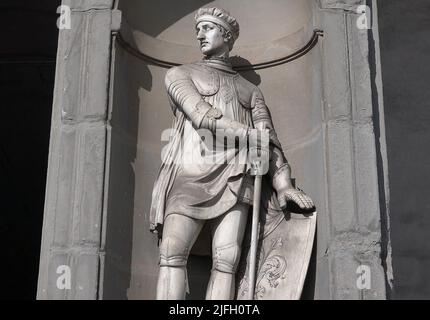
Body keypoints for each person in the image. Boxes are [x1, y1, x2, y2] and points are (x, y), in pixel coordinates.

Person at [150, 7, 314, 300]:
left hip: (237, 176)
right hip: (190, 173)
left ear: (226, 36)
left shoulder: (250, 91)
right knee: (172, 252)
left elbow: (271, 142)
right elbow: (203, 117)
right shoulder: (179, 75)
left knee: (226, 262)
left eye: (207, 28)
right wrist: (252, 136)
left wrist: (283, 184)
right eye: (198, 29)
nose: (198, 34)